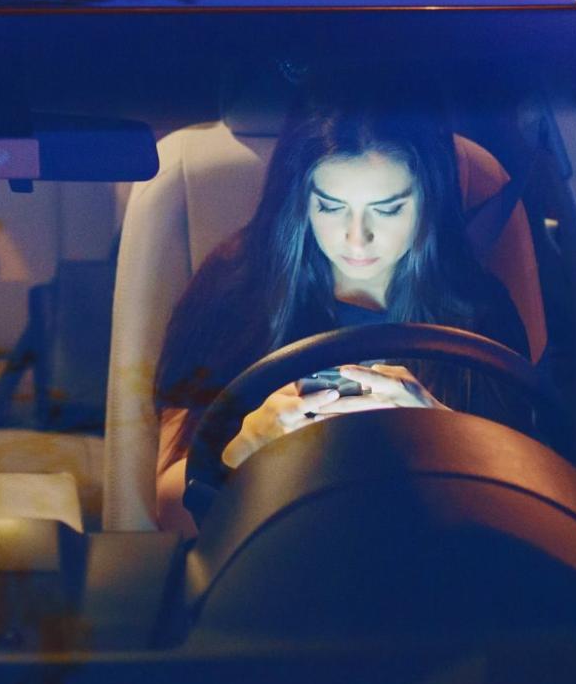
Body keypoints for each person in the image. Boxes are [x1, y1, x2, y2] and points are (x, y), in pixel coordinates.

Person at [152, 98, 534, 532]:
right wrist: (243, 449)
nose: (357, 239)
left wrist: (443, 433)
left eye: (389, 209)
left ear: (430, 199)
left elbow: (529, 514)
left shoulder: (479, 313)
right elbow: (168, 512)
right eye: (330, 207)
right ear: (301, 200)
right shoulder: (235, 292)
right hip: (266, 568)